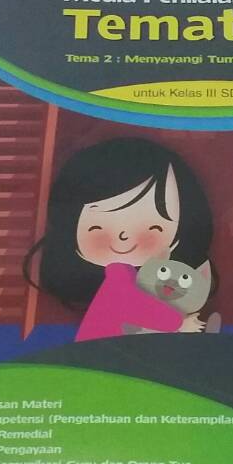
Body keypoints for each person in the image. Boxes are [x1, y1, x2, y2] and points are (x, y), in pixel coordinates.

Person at [24, 137, 213, 340]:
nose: (124, 236)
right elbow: (150, 314)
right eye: (97, 226)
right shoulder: (119, 282)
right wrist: (181, 324)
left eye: (154, 227)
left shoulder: (132, 278)